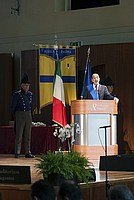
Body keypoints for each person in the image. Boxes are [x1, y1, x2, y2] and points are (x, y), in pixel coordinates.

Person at [11, 73, 35, 158]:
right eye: (25, 85)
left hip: (28, 114)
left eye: (28, 85)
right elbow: (13, 106)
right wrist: (16, 116)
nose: (27, 87)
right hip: (19, 114)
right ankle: (17, 152)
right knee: (19, 134)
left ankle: (27, 152)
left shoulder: (30, 95)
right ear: (21, 85)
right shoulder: (17, 95)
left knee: (28, 135)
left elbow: (32, 106)